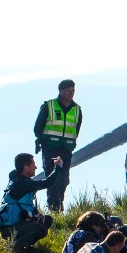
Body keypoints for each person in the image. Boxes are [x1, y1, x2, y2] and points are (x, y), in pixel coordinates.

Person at [33, 79, 82, 211]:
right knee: (53, 178)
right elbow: (37, 129)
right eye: (68, 90)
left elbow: (76, 131)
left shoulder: (77, 110)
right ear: (60, 91)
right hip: (50, 148)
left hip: (66, 149)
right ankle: (54, 208)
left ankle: (59, 205)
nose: (71, 93)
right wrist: (43, 141)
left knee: (64, 180)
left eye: (73, 90)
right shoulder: (48, 106)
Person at [0, 152, 58, 253]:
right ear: (26, 168)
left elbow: (24, 204)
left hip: (16, 224)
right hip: (9, 228)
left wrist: (36, 214)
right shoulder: (22, 183)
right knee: (41, 229)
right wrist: (58, 167)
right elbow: (48, 183)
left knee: (47, 220)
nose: (36, 167)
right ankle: (16, 247)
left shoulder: (19, 181)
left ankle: (25, 245)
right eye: (33, 165)